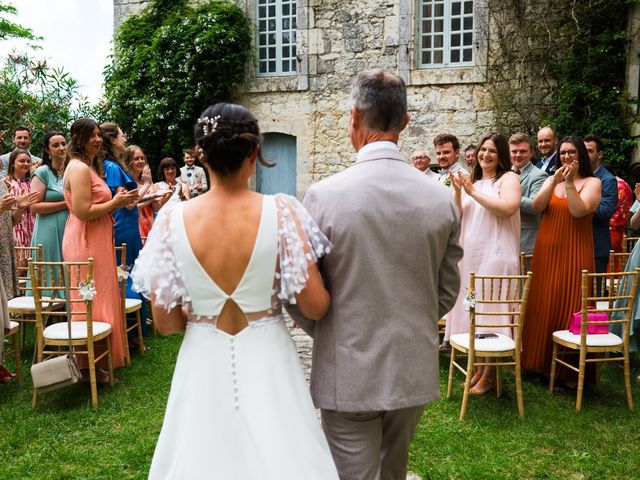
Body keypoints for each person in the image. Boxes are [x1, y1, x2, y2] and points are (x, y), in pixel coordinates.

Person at [131, 103, 339, 479]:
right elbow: (315, 305)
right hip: (269, 357)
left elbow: (166, 323)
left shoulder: (172, 219)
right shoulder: (282, 211)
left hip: (203, 356)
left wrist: (202, 305)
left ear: (201, 155)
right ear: (255, 153)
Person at [286, 69, 462, 480]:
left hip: (347, 367)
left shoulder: (324, 197)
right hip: (411, 365)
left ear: (353, 117)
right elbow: (447, 288)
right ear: (405, 121)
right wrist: (412, 321)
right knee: (393, 470)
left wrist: (332, 331)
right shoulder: (439, 200)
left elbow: (301, 292)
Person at [445, 132, 521, 394]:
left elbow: (508, 207)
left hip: (496, 255)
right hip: (472, 258)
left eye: (492, 151)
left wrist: (471, 191)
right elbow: (458, 216)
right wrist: (458, 192)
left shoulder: (508, 178)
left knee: (492, 311)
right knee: (473, 309)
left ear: (500, 155)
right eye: (482, 150)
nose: (485, 155)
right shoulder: (474, 181)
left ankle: (491, 374)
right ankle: (480, 366)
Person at [522, 136, 601, 382]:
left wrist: (568, 183)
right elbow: (537, 206)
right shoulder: (552, 180)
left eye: (572, 152)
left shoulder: (592, 182)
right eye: (563, 153)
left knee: (569, 303)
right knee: (543, 303)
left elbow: (578, 210)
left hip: (575, 252)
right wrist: (553, 181)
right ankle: (537, 364)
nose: (566, 157)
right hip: (546, 252)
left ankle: (567, 372)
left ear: (581, 156)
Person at [62, 118, 138, 376]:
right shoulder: (80, 169)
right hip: (85, 240)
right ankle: (89, 362)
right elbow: (83, 212)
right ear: (78, 139)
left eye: (98, 135)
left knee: (100, 294)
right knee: (89, 298)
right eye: (91, 136)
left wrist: (119, 201)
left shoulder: (86, 166)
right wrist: (116, 203)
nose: (97, 140)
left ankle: (100, 358)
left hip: (96, 238)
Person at [100, 123, 149, 337]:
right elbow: (126, 203)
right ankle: (130, 332)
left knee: (131, 273)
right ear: (112, 140)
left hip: (128, 225)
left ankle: (137, 328)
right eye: (121, 134)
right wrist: (146, 185)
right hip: (123, 228)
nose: (125, 136)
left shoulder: (112, 166)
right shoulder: (111, 168)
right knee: (127, 275)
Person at [30, 132, 69, 272]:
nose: (62, 148)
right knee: (50, 271)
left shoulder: (72, 171)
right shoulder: (42, 172)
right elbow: (34, 206)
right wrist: (66, 204)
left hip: (70, 228)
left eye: (64, 144)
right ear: (47, 150)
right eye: (56, 145)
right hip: (48, 229)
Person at [583, 135, 617, 280]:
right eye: (583, 151)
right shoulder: (579, 176)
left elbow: (605, 212)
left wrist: (581, 207)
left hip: (596, 246)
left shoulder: (607, 179)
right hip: (577, 243)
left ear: (600, 154)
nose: (585, 154)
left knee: (593, 296)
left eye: (590, 151)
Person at [509, 132, 548, 254]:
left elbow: (535, 206)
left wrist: (509, 197)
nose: (518, 155)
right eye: (514, 151)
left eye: (523, 151)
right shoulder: (503, 174)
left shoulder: (539, 175)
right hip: (504, 239)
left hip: (526, 242)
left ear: (531, 152)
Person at [122, 145, 169, 238]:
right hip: (135, 226)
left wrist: (167, 195)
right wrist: (152, 197)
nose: (140, 161)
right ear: (128, 161)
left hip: (150, 225)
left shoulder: (146, 180)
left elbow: (157, 208)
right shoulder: (126, 182)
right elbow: (132, 206)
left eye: (142, 158)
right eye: (136, 159)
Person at [4, 148, 35, 249]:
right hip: (14, 230)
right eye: (22, 161)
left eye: (28, 161)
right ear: (12, 163)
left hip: (33, 229)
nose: (26, 163)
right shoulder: (5, 183)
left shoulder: (33, 183)